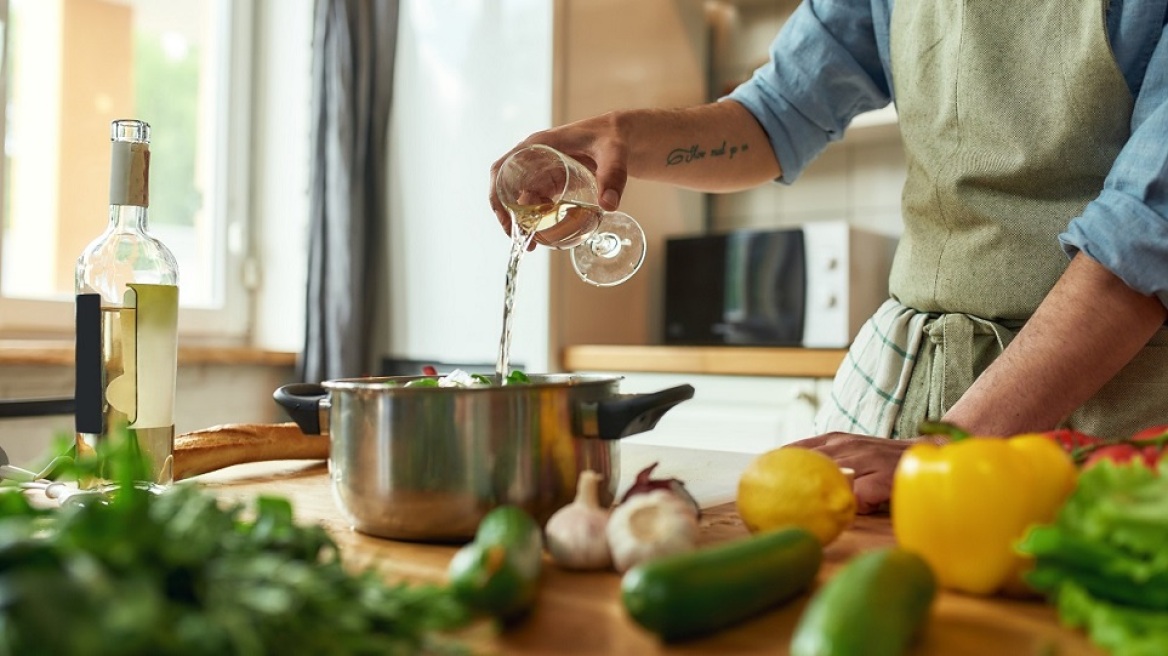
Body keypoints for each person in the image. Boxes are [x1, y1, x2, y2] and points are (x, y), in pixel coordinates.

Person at [489, 0, 1168, 513]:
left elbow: (1143, 235)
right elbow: (777, 112)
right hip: (922, 396)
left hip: (1100, 411)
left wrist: (946, 449)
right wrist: (621, 138)